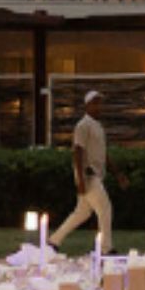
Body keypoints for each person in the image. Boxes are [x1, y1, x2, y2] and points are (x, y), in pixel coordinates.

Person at [49, 90, 112, 252]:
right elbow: (77, 152)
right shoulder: (83, 126)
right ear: (87, 106)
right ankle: (105, 248)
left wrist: (118, 174)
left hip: (95, 174)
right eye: (95, 103)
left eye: (100, 103)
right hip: (88, 175)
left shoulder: (98, 126)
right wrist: (80, 179)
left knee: (82, 212)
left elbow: (103, 153)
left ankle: (54, 241)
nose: (99, 106)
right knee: (105, 208)